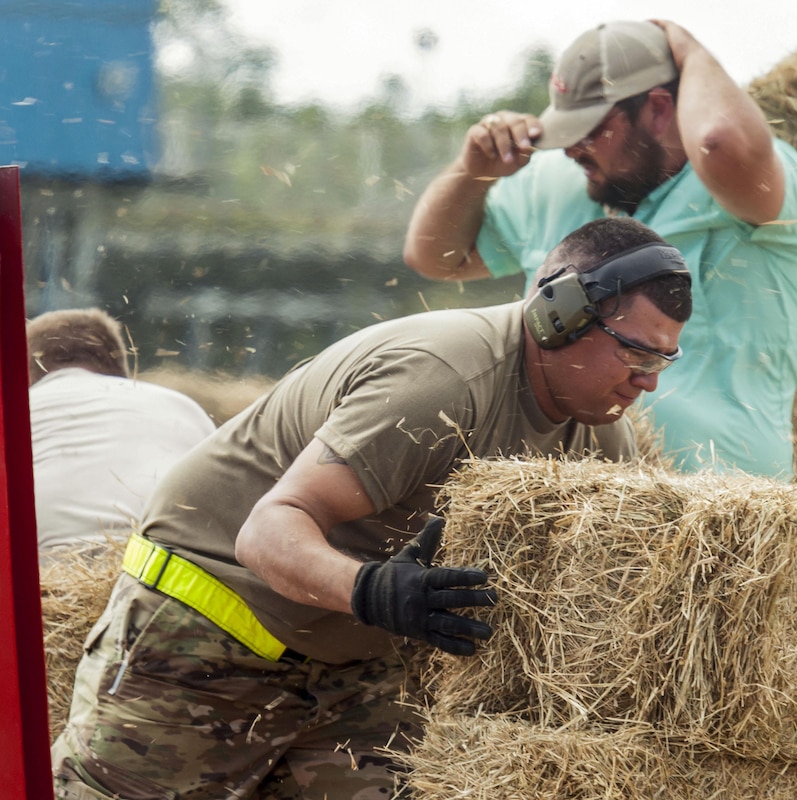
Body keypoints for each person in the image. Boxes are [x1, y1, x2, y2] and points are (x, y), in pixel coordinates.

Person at [50, 217, 692, 799]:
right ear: (561, 313)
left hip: (353, 661)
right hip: (209, 618)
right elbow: (268, 530)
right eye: (635, 351)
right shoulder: (441, 382)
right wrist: (373, 590)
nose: (650, 380)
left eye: (664, 357)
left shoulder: (602, 433)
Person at [404, 19, 797, 479]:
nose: (570, 150)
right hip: (568, 496)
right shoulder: (554, 183)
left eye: (591, 128)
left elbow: (718, 140)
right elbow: (434, 257)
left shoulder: (752, 186)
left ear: (659, 110)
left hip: (722, 501)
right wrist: (471, 172)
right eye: (564, 130)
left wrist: (691, 51)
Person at [26, 308, 216, 552]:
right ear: (119, 364)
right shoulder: (180, 405)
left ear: (27, 371)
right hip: (165, 565)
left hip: (41, 566)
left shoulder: (16, 411)